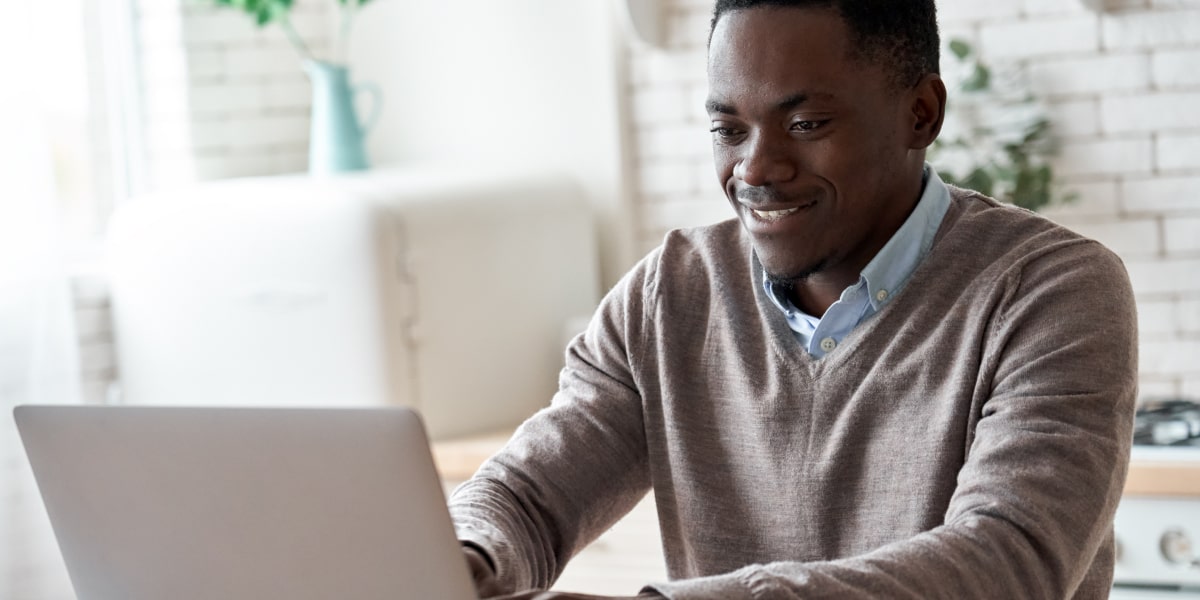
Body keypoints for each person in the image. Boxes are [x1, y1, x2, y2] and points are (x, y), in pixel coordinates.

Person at [449, 0, 1138, 598]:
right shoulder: (671, 295)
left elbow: (1007, 565)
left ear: (920, 114)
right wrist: (462, 560)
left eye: (805, 124)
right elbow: (527, 497)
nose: (756, 168)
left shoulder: (1051, 292)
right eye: (728, 129)